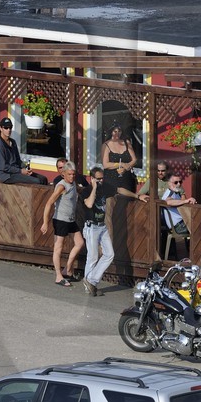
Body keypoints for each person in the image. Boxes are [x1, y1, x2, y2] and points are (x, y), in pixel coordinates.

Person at [43, 163, 83, 285]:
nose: (72, 177)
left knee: (80, 243)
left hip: (70, 219)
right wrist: (45, 222)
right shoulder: (61, 186)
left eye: (73, 174)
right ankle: (58, 276)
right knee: (58, 247)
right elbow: (49, 203)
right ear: (63, 174)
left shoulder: (73, 183)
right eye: (69, 174)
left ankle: (68, 269)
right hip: (60, 219)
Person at [80, 167, 115, 297]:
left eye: (102, 178)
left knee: (109, 254)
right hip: (91, 227)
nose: (101, 181)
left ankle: (91, 280)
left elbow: (118, 190)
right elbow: (89, 204)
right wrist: (94, 188)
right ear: (92, 178)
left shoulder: (105, 187)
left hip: (102, 226)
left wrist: (137, 195)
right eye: (98, 179)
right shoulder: (86, 191)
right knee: (93, 257)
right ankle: (88, 285)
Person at [0, 117, 47, 184]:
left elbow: (18, 160)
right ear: (1, 128)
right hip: (7, 176)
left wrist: (26, 168)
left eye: (10, 127)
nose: (9, 130)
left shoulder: (13, 142)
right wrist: (21, 171)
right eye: (6, 128)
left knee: (43, 179)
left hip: (17, 171)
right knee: (37, 182)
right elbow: (3, 167)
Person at [160, 174, 194, 257]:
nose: (178, 184)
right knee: (200, 228)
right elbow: (168, 202)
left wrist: (187, 199)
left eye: (180, 182)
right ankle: (194, 256)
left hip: (182, 223)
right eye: (175, 182)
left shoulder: (176, 192)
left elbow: (183, 201)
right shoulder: (169, 193)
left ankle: (191, 255)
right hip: (177, 226)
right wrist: (185, 201)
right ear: (169, 183)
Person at [100, 124, 137, 194]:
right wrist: (121, 164)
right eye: (115, 131)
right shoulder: (106, 145)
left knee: (127, 200)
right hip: (111, 180)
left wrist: (126, 168)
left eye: (119, 131)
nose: (117, 133)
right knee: (112, 202)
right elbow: (105, 164)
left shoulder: (126, 142)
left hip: (126, 178)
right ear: (111, 132)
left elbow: (134, 160)